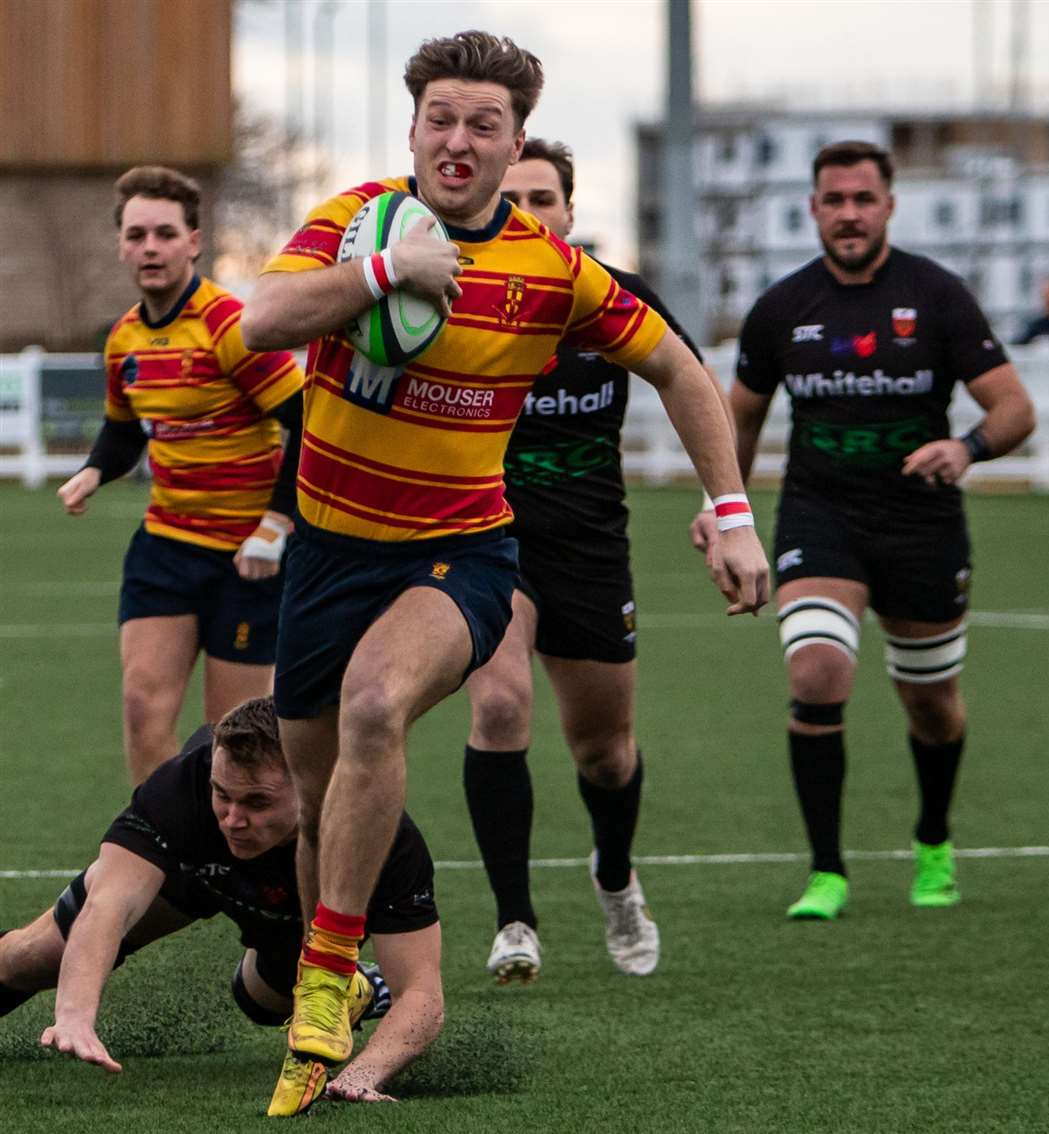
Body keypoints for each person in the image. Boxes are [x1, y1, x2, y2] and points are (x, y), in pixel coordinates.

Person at [241, 29, 768, 1091]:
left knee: (378, 709)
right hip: (330, 552)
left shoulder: (554, 272)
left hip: (462, 552)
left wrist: (732, 508)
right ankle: (325, 958)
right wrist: (387, 271)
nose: (460, 139)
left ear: (515, 138)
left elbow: (682, 370)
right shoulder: (356, 219)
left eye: (485, 123)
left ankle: (327, 972)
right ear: (414, 127)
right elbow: (259, 320)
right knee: (314, 789)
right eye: (442, 118)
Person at [692, 140, 1035, 920]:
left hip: (923, 525)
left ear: (888, 205)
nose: (849, 214)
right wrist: (723, 504)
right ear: (813, 208)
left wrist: (966, 447)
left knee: (933, 703)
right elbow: (737, 415)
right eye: (834, 200)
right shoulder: (783, 307)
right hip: (823, 517)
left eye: (862, 199)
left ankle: (934, 840)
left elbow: (1015, 408)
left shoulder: (937, 295)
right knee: (815, 674)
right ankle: (826, 870)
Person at [464, 139, 705, 985]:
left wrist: (723, 506)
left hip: (592, 550)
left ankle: (613, 874)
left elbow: (691, 388)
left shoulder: (618, 302)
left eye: (545, 198)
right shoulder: (460, 302)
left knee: (605, 751)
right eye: (514, 198)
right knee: (497, 705)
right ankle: (514, 921)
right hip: (487, 542)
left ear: (570, 212)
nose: (530, 213)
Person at [0, 698, 443, 1115]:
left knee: (261, 1002)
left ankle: (353, 985)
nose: (231, 818)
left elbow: (422, 995)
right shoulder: (183, 785)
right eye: (223, 794)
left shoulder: (385, 842)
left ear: (313, 783)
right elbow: (107, 905)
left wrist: (360, 1076)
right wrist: (74, 1016)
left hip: (298, 921)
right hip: (187, 878)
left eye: (258, 802)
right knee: (29, 959)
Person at [56, 166, 305, 784]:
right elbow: (123, 428)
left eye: (164, 234)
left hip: (247, 561)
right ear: (121, 245)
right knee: (143, 710)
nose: (149, 247)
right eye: (136, 234)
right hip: (165, 549)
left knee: (234, 737)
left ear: (193, 241)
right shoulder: (125, 340)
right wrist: (93, 470)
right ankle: (162, 853)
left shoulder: (232, 328)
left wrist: (274, 528)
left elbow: (308, 424)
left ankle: (229, 868)